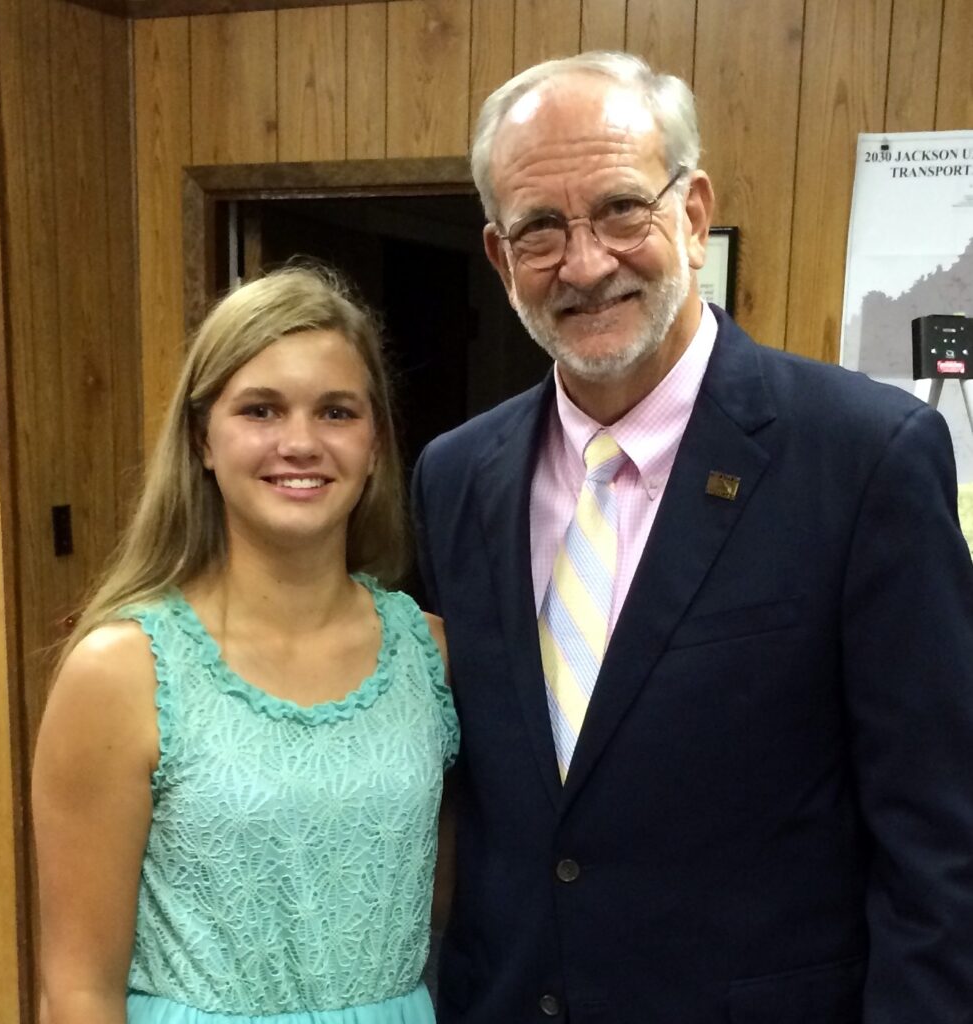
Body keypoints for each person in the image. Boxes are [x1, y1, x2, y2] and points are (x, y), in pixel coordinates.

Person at [411, 51, 973, 1022]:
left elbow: (942, 844)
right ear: (500, 257)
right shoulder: (455, 477)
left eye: (621, 210)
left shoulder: (863, 459)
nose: (586, 263)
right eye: (541, 229)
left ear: (694, 211)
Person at [33, 265, 459, 1024]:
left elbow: (456, 905)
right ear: (202, 438)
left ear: (374, 445)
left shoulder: (432, 658)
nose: (300, 443)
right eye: (261, 410)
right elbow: (78, 989)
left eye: (336, 412)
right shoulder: (124, 670)